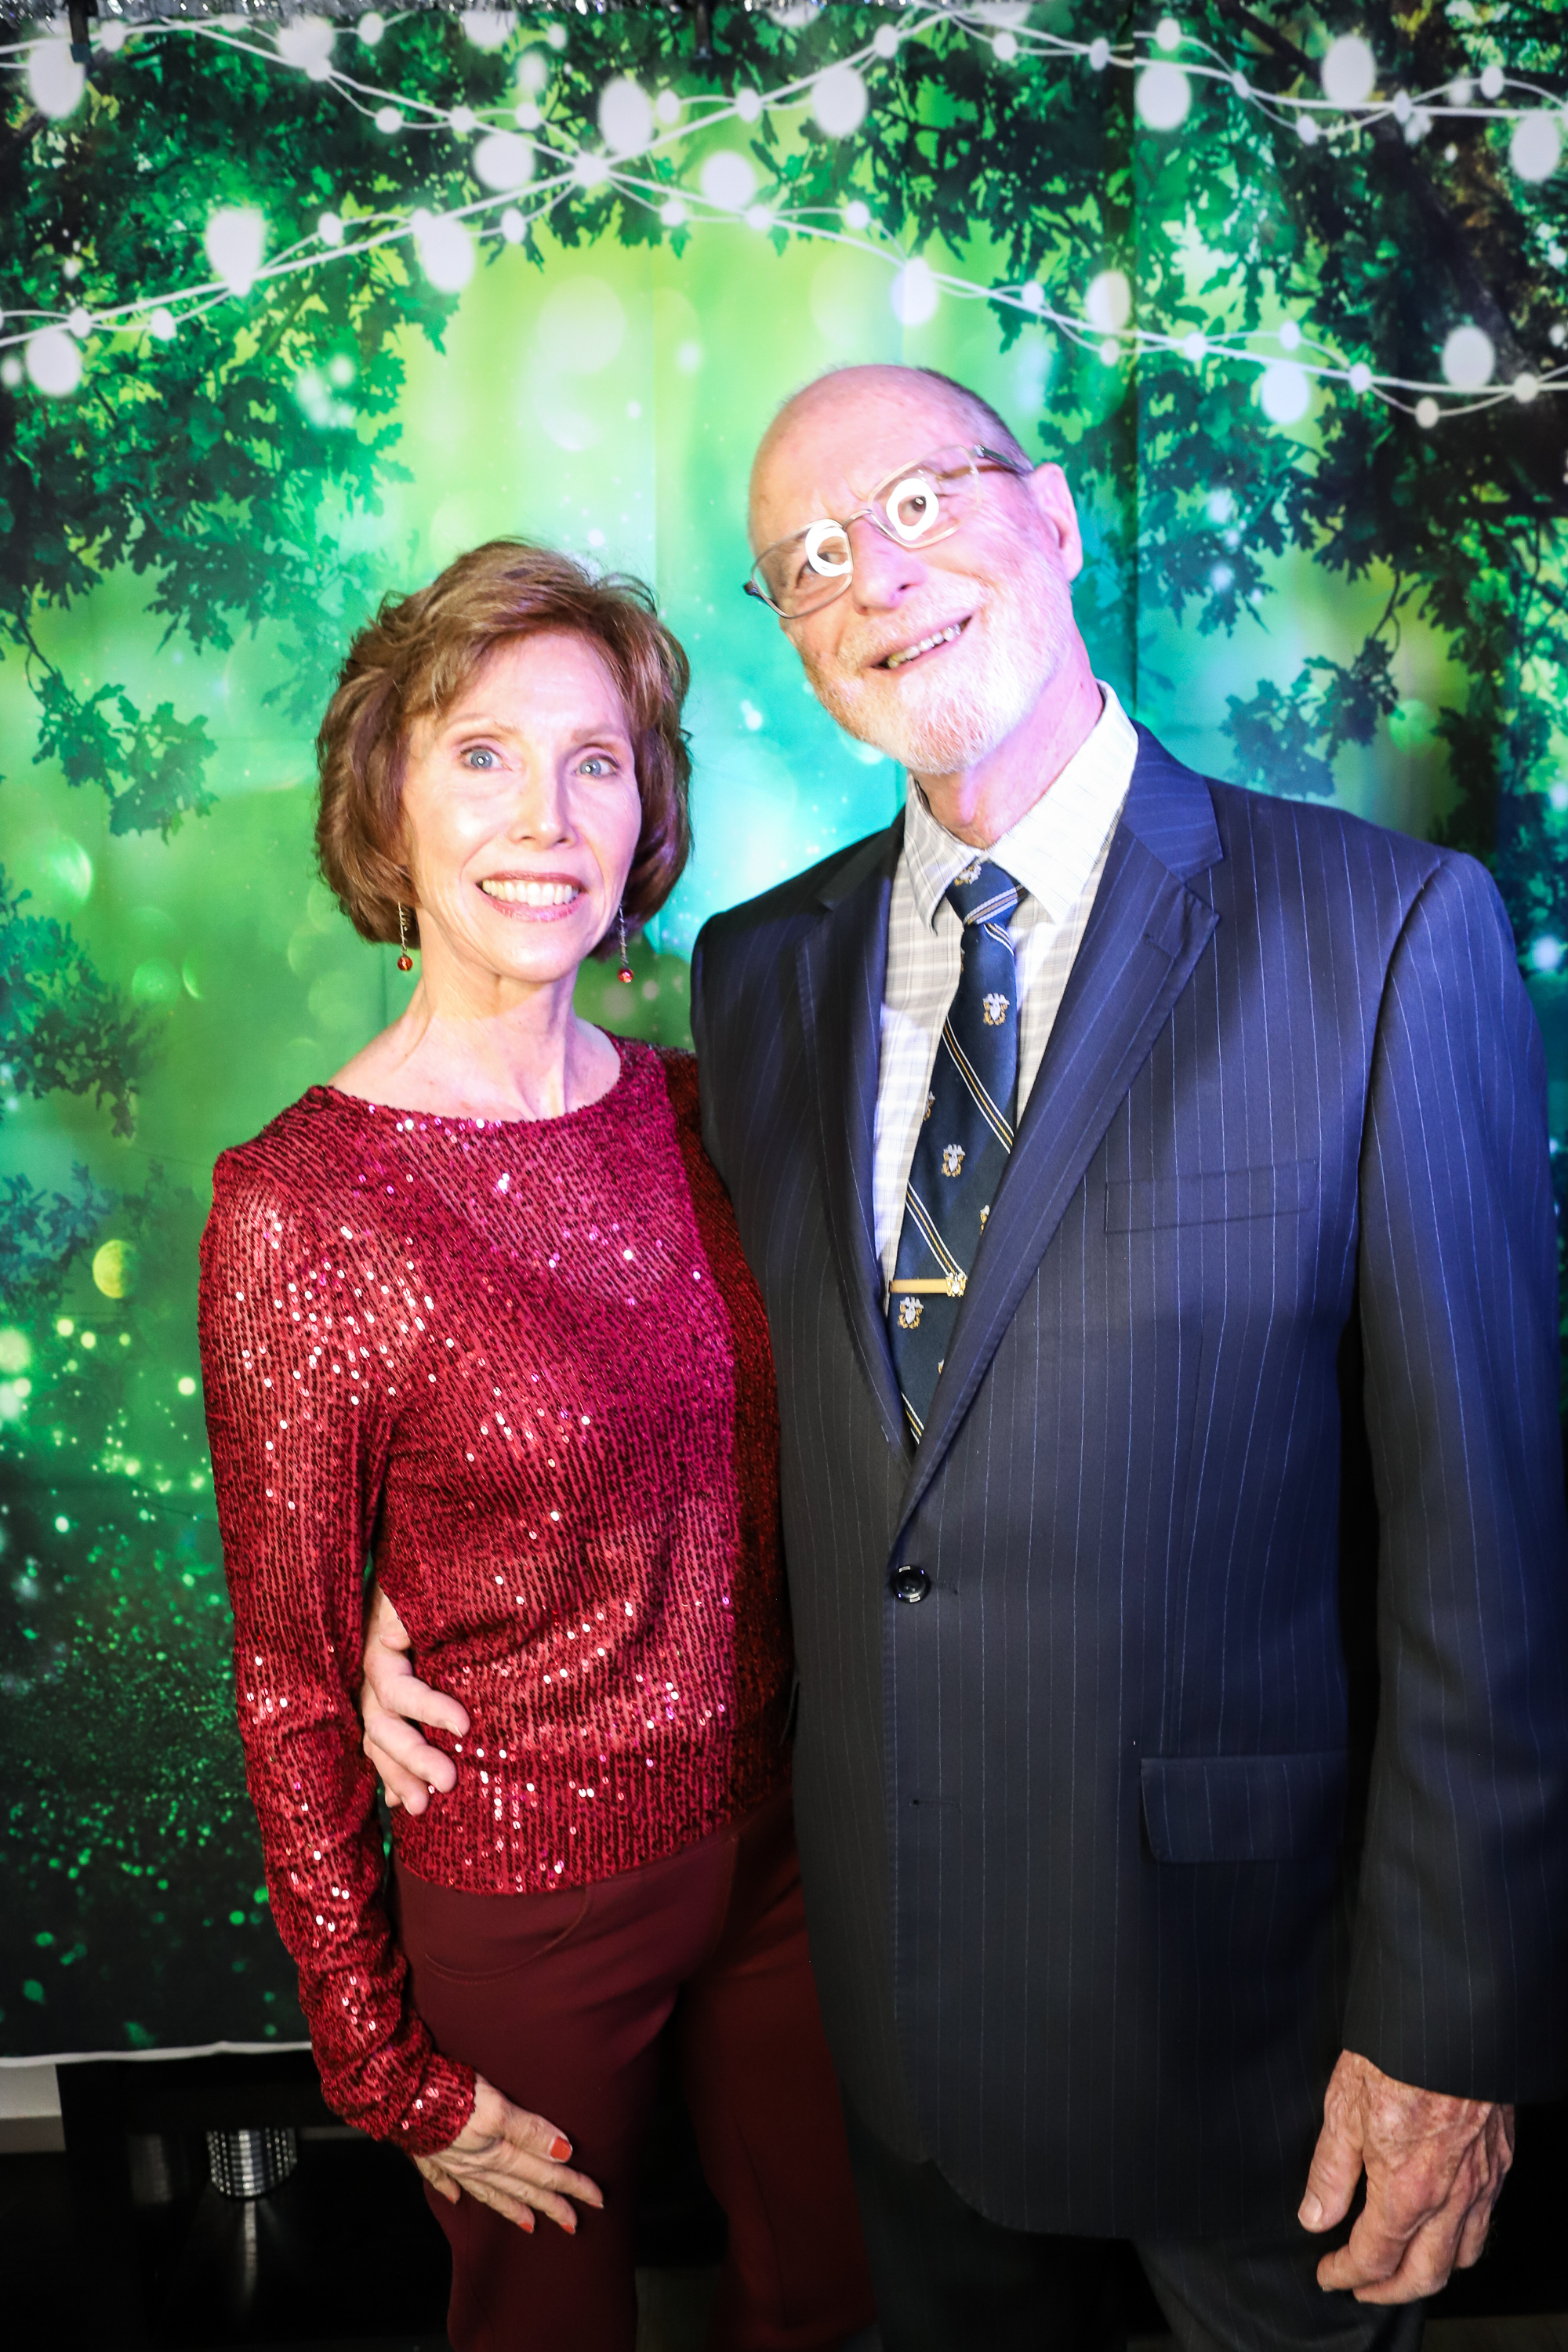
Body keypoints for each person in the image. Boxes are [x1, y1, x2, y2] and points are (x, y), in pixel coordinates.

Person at [360, 369, 1568, 2352]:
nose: (876, 576)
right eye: (813, 558)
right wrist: (430, 1590)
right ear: (796, 642)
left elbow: (1486, 1542)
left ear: (1060, 518)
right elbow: (698, 1387)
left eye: (921, 502)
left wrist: (1450, 2024)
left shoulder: (1379, 931)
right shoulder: (763, 973)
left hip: (1256, 2013)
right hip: (890, 2007)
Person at [198, 541, 875, 2352]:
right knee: (545, 2329)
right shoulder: (302, 1207)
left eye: (596, 762)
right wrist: (382, 2067)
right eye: (483, 755)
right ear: (387, 802)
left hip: (788, 1851)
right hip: (523, 1899)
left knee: (830, 2296)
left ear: (646, 814)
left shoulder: (710, 1114)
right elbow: (285, 1677)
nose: (546, 818)